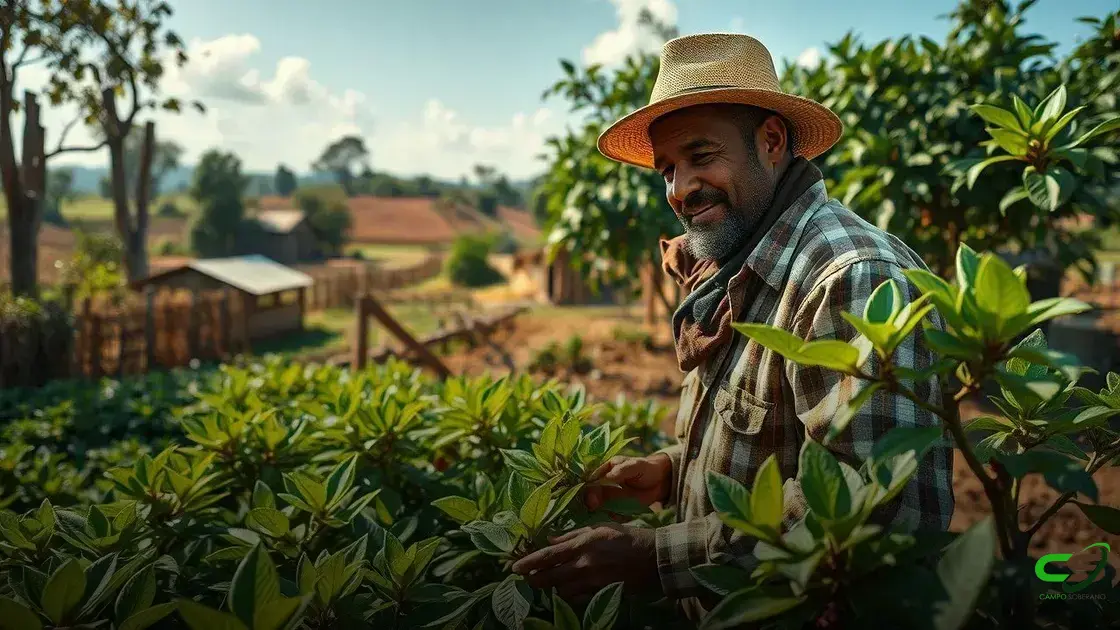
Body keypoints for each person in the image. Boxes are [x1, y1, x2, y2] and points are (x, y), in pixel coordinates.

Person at [511, 32, 955, 620]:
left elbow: (875, 510)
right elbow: (777, 445)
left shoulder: (848, 279)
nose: (679, 189)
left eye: (701, 155)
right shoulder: (737, 263)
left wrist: (655, 555)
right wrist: (671, 471)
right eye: (666, 169)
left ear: (771, 141)